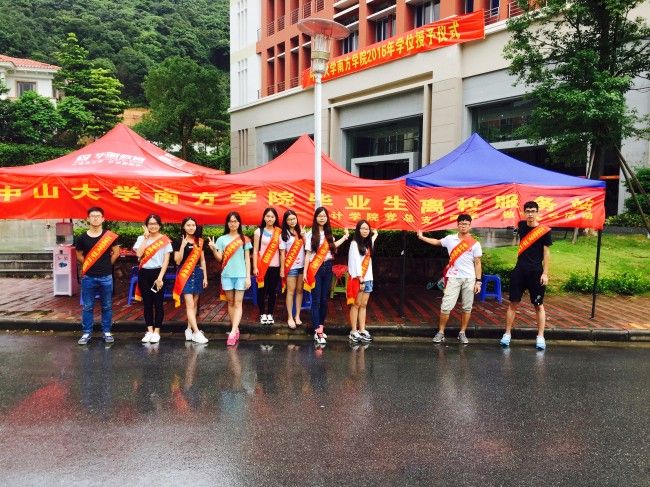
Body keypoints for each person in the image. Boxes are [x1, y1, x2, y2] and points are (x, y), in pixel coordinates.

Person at [417, 214, 482, 345]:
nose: (463, 226)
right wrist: (422, 237)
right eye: (461, 223)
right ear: (457, 225)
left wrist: (478, 281)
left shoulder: (475, 243)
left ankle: (462, 333)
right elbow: (437, 242)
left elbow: (477, 263)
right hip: (453, 277)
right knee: (446, 306)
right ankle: (441, 332)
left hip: (469, 278)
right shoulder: (450, 239)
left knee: (467, 307)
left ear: (470, 226)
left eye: (466, 224)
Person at [500, 201, 552, 350]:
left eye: (533, 211)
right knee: (513, 303)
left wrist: (545, 273)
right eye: (527, 211)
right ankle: (507, 334)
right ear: (524, 213)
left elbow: (546, 253)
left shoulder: (544, 231)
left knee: (538, 305)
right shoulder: (521, 225)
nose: (530, 214)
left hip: (536, 272)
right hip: (520, 271)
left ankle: (540, 336)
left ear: (537, 212)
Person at [74, 206, 120, 345]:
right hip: (88, 277)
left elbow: (116, 253)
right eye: (92, 216)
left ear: (103, 219)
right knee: (87, 306)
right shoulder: (81, 238)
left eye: (98, 216)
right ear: (88, 219)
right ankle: (87, 333)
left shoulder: (109, 236)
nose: (95, 218)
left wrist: (106, 265)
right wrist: (90, 264)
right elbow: (78, 255)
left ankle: (107, 332)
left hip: (106, 277)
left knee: (107, 306)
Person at [304, 207, 349, 345]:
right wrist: (305, 272)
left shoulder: (329, 233)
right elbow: (308, 255)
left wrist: (345, 237)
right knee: (316, 300)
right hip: (315, 269)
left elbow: (332, 246)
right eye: (319, 216)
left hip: (328, 267)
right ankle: (317, 331)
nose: (322, 218)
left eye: (324, 216)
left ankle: (321, 328)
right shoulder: (311, 234)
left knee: (324, 300)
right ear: (315, 218)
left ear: (327, 218)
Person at [208, 212, 252, 347]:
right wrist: (213, 249)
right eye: (231, 221)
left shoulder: (245, 239)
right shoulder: (222, 239)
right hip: (226, 275)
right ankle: (235, 328)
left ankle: (232, 332)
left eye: (235, 221)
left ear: (239, 223)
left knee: (238, 302)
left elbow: (247, 259)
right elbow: (219, 258)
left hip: (241, 275)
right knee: (231, 302)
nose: (233, 224)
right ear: (227, 223)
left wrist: (248, 277)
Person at [133, 214, 173, 343]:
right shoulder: (141, 238)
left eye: (155, 223)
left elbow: (166, 260)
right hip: (144, 274)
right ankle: (149, 331)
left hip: (158, 274)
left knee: (158, 303)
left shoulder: (165, 240)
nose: (153, 226)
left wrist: (160, 278)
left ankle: (157, 331)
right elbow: (139, 254)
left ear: (159, 225)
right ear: (146, 226)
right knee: (147, 303)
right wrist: (145, 238)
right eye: (150, 224)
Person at [173, 217, 209, 344]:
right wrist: (182, 247)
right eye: (188, 225)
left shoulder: (199, 241)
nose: (191, 227)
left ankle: (189, 329)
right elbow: (177, 261)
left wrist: (205, 276)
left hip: (198, 273)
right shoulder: (178, 241)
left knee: (194, 303)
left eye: (193, 225)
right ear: (183, 227)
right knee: (189, 304)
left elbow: (202, 260)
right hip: (185, 274)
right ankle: (197, 332)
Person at [347, 220, 378, 343]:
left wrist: (375, 234)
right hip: (359, 279)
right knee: (356, 304)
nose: (365, 231)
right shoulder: (354, 244)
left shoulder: (368, 243)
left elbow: (373, 239)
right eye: (362, 228)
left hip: (369, 278)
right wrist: (360, 279)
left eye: (367, 229)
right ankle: (353, 331)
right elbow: (354, 262)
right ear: (358, 230)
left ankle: (362, 329)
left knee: (364, 305)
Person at [252, 207, 282, 325]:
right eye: (268, 216)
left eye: (272, 217)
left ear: (275, 219)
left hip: (275, 266)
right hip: (262, 266)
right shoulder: (258, 232)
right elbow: (255, 251)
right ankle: (262, 314)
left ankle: (270, 313)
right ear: (264, 217)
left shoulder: (279, 232)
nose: (270, 219)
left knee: (272, 291)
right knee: (262, 290)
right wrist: (254, 267)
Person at [279, 210, 305, 329]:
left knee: (300, 291)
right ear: (286, 221)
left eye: (294, 218)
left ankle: (297, 315)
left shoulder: (301, 232)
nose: (292, 221)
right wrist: (282, 269)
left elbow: (308, 248)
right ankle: (290, 317)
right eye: (289, 219)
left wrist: (304, 236)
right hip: (291, 267)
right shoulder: (283, 235)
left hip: (302, 267)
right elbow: (282, 254)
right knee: (290, 292)